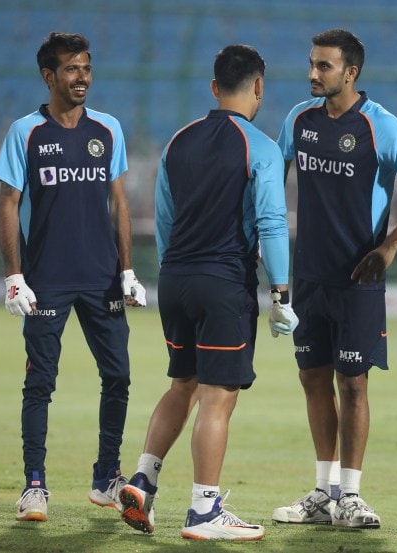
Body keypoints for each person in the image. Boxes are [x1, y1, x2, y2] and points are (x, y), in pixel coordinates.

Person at [117, 44, 298, 542]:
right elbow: (271, 223)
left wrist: (174, 270)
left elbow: (165, 219)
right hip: (223, 284)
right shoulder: (260, 147)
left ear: (215, 87)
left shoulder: (178, 141)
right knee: (219, 397)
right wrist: (282, 292)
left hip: (175, 278)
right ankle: (204, 511)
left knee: (184, 384)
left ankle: (143, 479)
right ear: (258, 86)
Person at [272, 29, 397, 529]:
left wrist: (389, 246)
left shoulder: (380, 126)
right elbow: (270, 182)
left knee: (354, 383)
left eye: (323, 66)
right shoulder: (298, 120)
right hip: (308, 278)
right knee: (312, 378)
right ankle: (324, 493)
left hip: (357, 280)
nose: (312, 73)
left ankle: (351, 494)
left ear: (350, 73)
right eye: (311, 64)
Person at [0, 32, 147, 523]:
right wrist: (14, 276)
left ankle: (107, 477)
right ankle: (34, 486)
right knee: (40, 383)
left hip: (103, 278)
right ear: (48, 76)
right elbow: (8, 205)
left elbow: (119, 202)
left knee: (119, 376)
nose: (82, 77)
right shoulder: (25, 132)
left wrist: (127, 269)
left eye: (86, 68)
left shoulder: (109, 129)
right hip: (47, 280)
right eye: (71, 69)